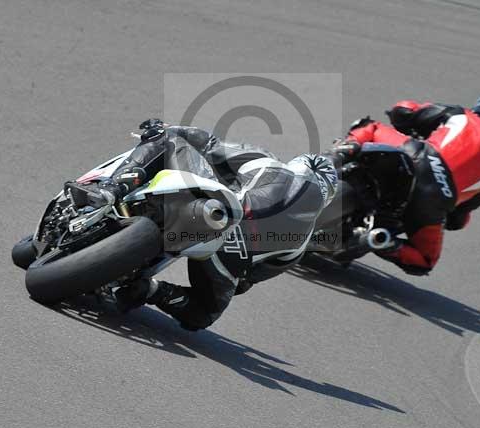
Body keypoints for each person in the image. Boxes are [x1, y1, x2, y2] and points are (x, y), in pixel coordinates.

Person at [105, 119, 338, 330]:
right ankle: (153, 290)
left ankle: (111, 189)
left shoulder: (268, 163)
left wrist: (166, 129)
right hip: (222, 252)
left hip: (212, 205)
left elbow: (209, 145)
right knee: (203, 314)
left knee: (168, 140)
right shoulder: (299, 247)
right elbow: (246, 282)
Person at [330, 92, 480, 275]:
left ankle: (338, 154)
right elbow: (459, 218)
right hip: (435, 200)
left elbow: (407, 109)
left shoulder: (460, 114)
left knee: (371, 127)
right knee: (425, 260)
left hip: (418, 157)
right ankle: (381, 240)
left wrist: (399, 117)